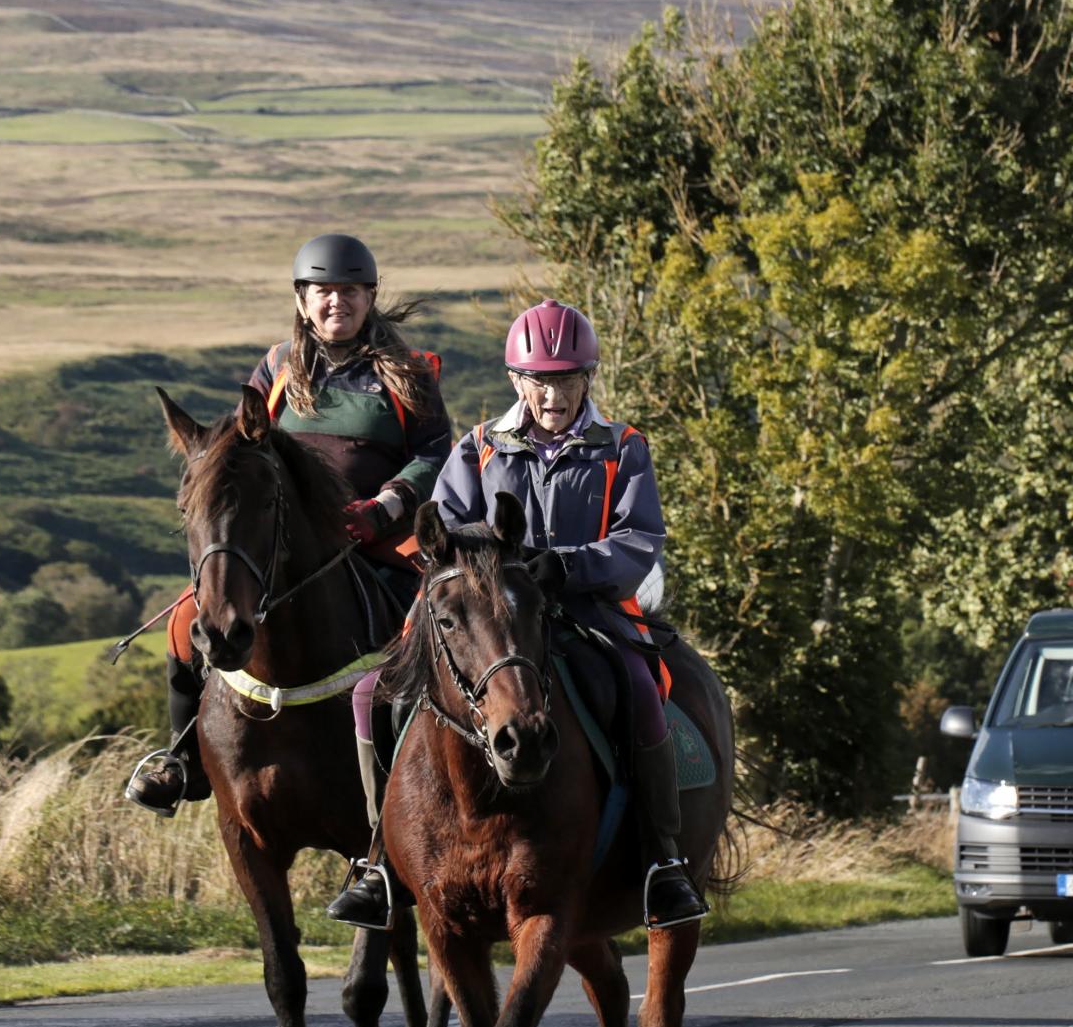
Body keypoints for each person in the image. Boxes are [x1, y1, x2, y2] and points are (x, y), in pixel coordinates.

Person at [325, 297, 708, 930]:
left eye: (566, 379)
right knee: (373, 694)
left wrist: (566, 567)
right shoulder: (479, 447)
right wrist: (490, 566)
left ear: (588, 378)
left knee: (641, 688)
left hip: (588, 607)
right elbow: (442, 526)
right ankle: (378, 864)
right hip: (495, 616)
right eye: (539, 380)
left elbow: (639, 539)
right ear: (517, 381)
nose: (553, 394)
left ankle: (661, 864)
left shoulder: (622, 447)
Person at [125, 233, 450, 814]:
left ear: (369, 297)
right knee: (184, 625)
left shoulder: (408, 372)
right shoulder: (277, 366)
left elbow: (434, 451)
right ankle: (182, 759)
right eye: (323, 291)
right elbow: (244, 445)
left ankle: (434, 756)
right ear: (303, 300)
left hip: (377, 527)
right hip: (292, 535)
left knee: (435, 615)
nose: (336, 303)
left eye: (349, 291)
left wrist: (387, 506)